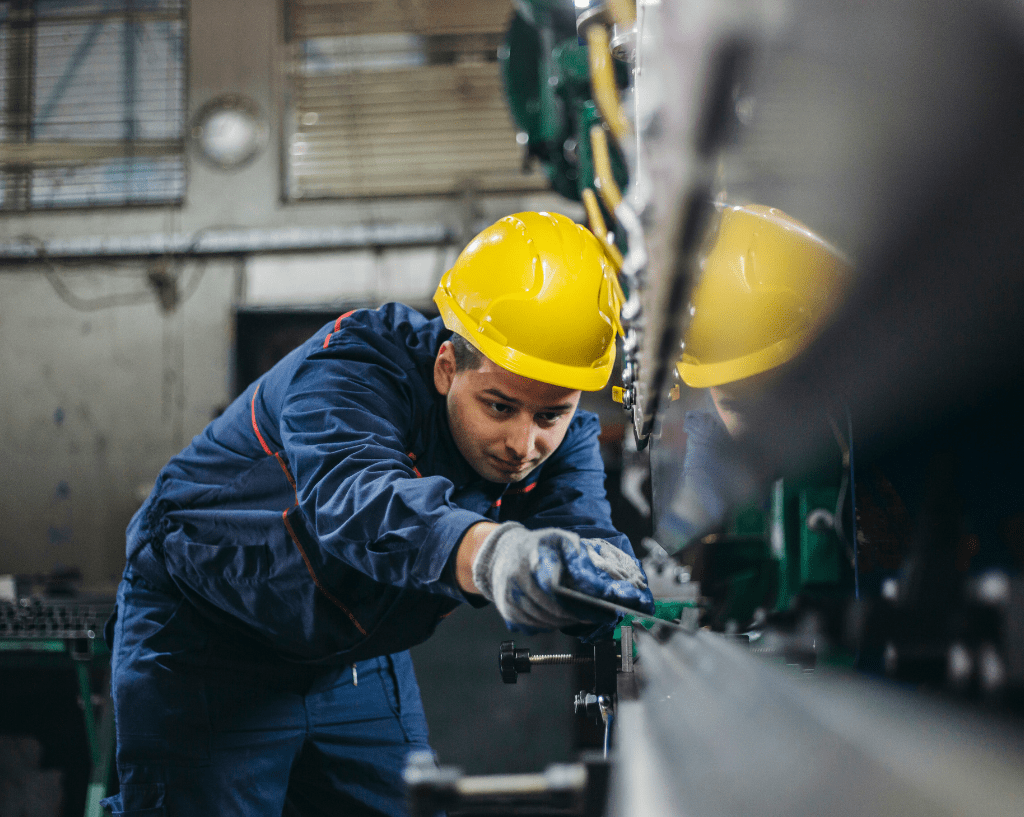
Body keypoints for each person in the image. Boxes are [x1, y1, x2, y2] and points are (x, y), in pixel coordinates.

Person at [100, 211, 654, 816]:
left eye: (550, 416)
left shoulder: (557, 433)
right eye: (498, 407)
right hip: (209, 636)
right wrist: (495, 554)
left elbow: (580, 531)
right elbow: (357, 500)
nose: (523, 446)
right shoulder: (354, 369)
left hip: (352, 656)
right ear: (447, 367)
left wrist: (612, 588)